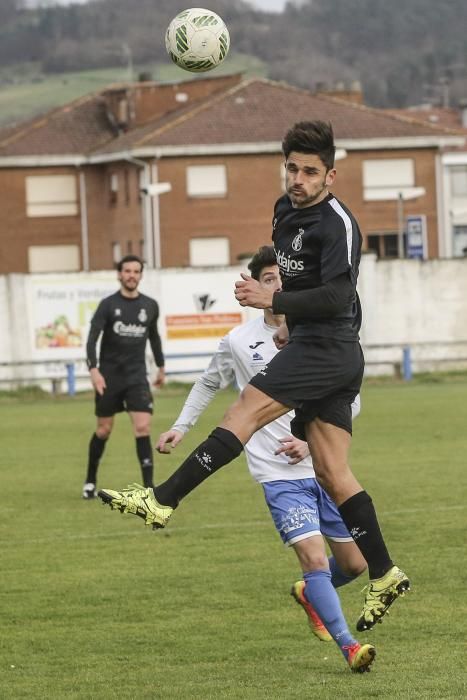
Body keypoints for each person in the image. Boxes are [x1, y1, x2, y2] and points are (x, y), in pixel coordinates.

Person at [99, 121, 409, 633]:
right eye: (292, 168)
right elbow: (301, 280)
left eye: (311, 171)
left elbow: (336, 296)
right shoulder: (284, 211)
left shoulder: (339, 225)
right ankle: (383, 571)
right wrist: (288, 322)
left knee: (243, 409)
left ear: (331, 175)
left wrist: (274, 302)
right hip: (313, 343)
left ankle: (161, 500)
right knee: (332, 471)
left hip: (329, 348)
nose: (299, 179)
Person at [155, 246, 374, 672]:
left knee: (356, 564)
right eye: (269, 279)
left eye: (284, 279)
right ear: (255, 284)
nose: (278, 286)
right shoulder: (238, 341)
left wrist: (312, 443)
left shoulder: (319, 337)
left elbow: (353, 399)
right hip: (277, 474)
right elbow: (207, 384)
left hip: (325, 467)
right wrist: (181, 427)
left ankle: (311, 593)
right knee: (313, 559)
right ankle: (349, 646)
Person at [82, 254, 165, 498]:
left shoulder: (150, 305)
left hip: (136, 377)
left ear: (140, 275)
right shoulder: (108, 305)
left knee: (142, 427)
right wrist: (94, 370)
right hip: (109, 377)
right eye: (127, 271)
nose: (131, 275)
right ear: (119, 274)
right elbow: (92, 338)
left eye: (136, 271)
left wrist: (161, 367)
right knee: (104, 430)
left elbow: (154, 337)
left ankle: (149, 489)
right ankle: (89, 481)